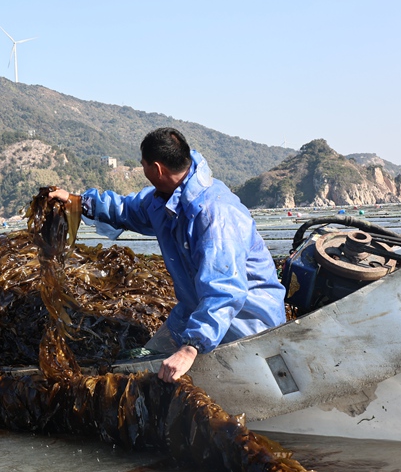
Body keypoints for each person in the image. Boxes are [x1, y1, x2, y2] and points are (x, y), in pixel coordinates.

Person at [49, 127, 286, 382]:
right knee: (140, 364)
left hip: (247, 323)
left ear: (157, 169)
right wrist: (77, 201)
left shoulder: (214, 213)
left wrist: (190, 347)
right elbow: (128, 209)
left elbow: (225, 289)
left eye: (143, 165)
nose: (143, 171)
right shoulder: (164, 199)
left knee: (168, 373)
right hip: (194, 312)